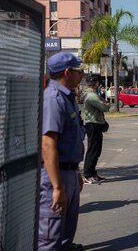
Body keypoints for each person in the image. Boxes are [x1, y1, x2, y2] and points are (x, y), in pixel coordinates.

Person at [40, 52, 86, 250]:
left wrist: (76, 172)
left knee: (66, 231)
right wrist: (58, 187)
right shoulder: (53, 98)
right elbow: (48, 144)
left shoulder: (67, 98)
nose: (81, 75)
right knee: (50, 236)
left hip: (68, 172)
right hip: (55, 176)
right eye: (78, 71)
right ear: (67, 72)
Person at [83, 76, 110, 185]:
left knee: (96, 150)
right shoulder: (92, 96)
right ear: (96, 83)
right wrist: (105, 104)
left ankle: (93, 173)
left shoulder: (93, 94)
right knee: (93, 151)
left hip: (96, 124)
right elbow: (105, 107)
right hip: (93, 125)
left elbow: (104, 103)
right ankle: (88, 175)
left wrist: (104, 103)